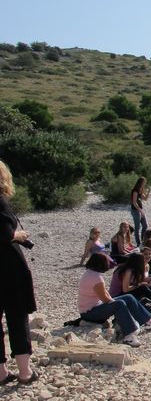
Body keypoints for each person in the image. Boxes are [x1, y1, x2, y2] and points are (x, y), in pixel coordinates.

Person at [0, 161, 37, 385]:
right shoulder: (0, 202)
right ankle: (24, 371)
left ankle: (2, 373)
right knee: (17, 315)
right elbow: (5, 233)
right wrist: (19, 234)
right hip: (7, 266)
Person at [78, 254, 151, 347]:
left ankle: (149, 322)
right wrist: (119, 305)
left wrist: (116, 302)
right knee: (120, 304)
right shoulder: (96, 278)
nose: (108, 265)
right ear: (101, 264)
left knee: (128, 297)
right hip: (89, 313)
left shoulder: (91, 273)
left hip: (94, 308)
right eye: (107, 262)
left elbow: (106, 295)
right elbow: (105, 299)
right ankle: (129, 336)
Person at [130, 177, 149, 246]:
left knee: (145, 225)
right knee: (137, 227)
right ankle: (138, 243)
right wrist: (140, 211)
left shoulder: (140, 190)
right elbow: (134, 202)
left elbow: (145, 198)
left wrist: (147, 192)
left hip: (140, 210)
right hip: (135, 210)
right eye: (144, 182)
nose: (145, 184)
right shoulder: (135, 191)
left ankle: (142, 240)